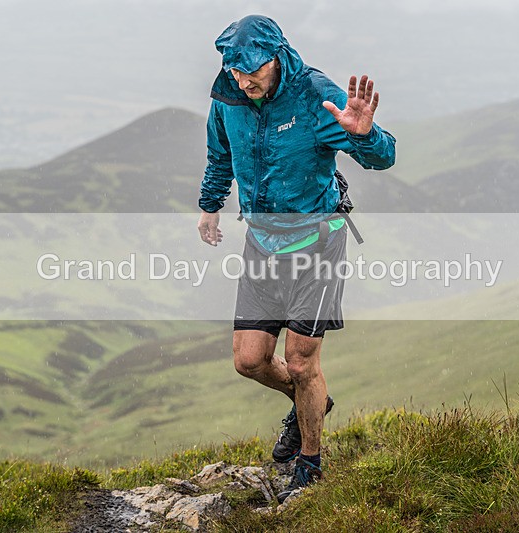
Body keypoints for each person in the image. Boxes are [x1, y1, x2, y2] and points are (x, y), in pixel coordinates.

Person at [197, 14, 396, 504]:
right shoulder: (227, 96)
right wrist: (209, 206)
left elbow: (382, 156)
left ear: (277, 54)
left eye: (253, 70)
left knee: (301, 360)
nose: (245, 81)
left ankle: (309, 465)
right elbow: (220, 156)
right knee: (249, 360)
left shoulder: (312, 95)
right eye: (235, 70)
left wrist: (364, 135)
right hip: (262, 242)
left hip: (317, 241)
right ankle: (312, 402)